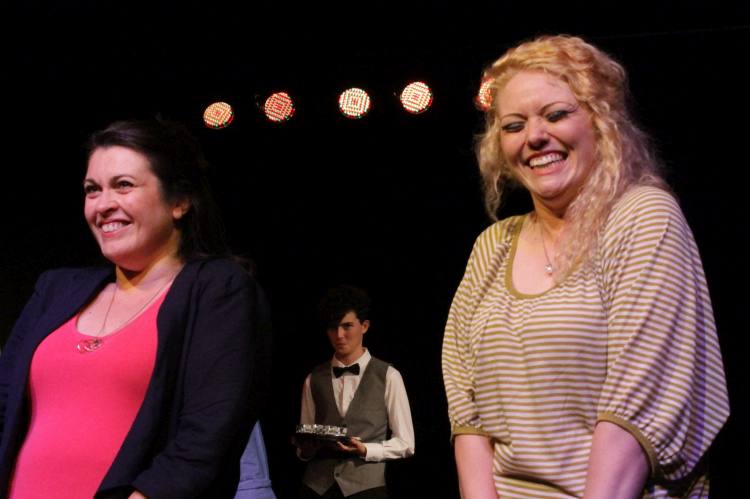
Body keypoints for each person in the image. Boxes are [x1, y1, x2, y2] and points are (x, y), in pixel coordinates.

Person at [442, 35, 729, 498]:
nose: (535, 136)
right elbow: (467, 411)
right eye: (514, 125)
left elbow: (637, 410)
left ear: (601, 121)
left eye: (556, 115)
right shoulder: (492, 247)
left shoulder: (642, 218)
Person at [0, 118, 270, 498]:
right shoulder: (55, 289)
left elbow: (208, 434)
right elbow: (4, 400)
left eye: (123, 185)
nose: (103, 204)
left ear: (179, 201)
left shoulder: (216, 290)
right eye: (92, 190)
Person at [296, 285, 415, 499]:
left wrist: (366, 449)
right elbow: (306, 436)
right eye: (333, 328)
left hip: (366, 489)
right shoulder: (313, 378)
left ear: (365, 326)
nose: (339, 335)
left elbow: (406, 444)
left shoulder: (388, 376)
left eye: (347, 326)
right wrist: (305, 450)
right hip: (316, 487)